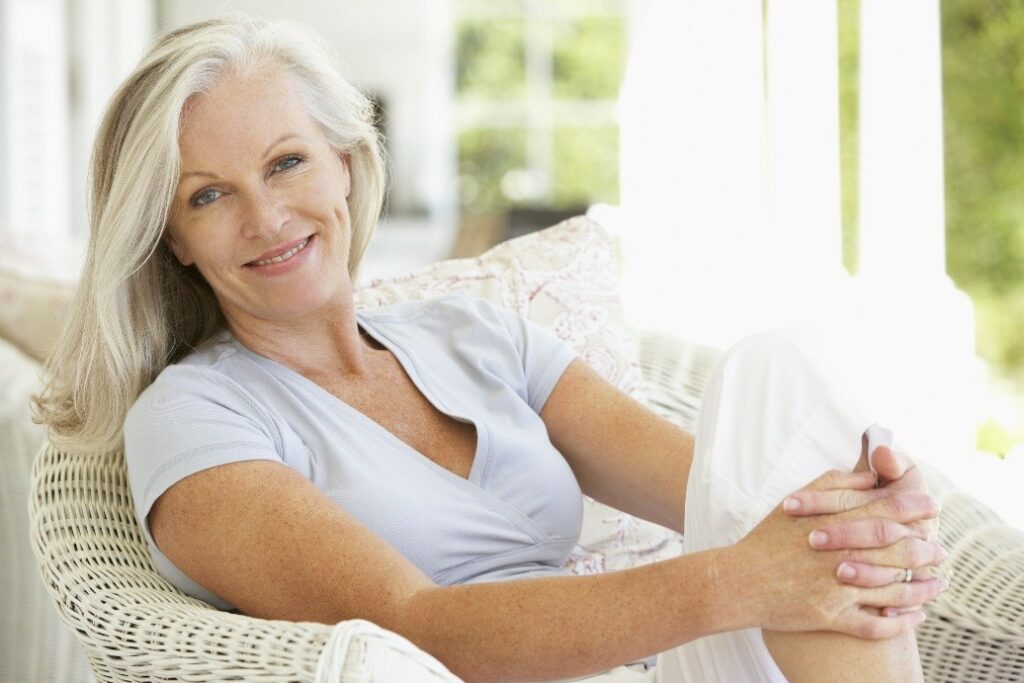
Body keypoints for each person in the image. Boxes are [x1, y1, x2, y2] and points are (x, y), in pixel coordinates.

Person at [33, 14, 946, 683]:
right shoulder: (194, 417)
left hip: (657, 669)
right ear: (170, 237)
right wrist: (742, 583)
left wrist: (878, 522)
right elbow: (417, 626)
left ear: (346, 161)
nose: (268, 217)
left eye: (286, 163)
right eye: (207, 196)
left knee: (775, 371)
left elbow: (738, 498)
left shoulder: (471, 334)